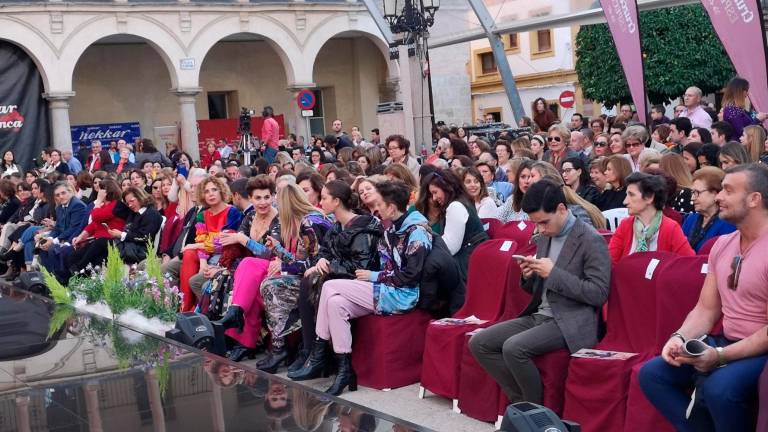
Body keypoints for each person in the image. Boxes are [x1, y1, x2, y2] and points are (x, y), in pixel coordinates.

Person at [639, 163, 768, 432]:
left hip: (760, 351)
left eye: (728, 191)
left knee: (720, 389)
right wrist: (679, 338)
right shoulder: (722, 245)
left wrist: (720, 355)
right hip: (725, 343)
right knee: (652, 375)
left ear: (754, 199)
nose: (719, 196)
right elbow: (705, 310)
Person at [469, 179, 610, 405]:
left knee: (514, 348)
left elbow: (598, 293)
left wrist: (552, 273)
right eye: (537, 224)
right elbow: (539, 288)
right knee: (480, 342)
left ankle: (534, 413)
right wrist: (529, 275)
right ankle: (522, 404)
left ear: (562, 209)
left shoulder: (591, 240)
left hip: (570, 320)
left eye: (544, 222)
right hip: (539, 315)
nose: (541, 229)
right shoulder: (545, 235)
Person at [288, 181, 432, 396]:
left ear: (392, 207)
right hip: (384, 288)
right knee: (336, 304)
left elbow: (411, 277)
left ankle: (318, 353)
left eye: (380, 204)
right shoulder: (391, 227)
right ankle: (345, 370)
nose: (376, 208)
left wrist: (374, 276)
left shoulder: (416, 231)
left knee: (329, 286)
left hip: (401, 295)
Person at [289, 180, 383, 374]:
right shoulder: (336, 227)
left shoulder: (362, 228)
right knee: (312, 281)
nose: (320, 202)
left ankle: (316, 353)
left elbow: (361, 268)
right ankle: (317, 355)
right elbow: (325, 251)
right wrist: (321, 262)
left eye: (324, 198)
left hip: (362, 283)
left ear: (337, 201)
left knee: (315, 283)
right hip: (342, 280)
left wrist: (330, 266)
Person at [256, 183, 332, 373]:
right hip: (309, 277)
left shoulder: (311, 223)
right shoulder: (303, 222)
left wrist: (283, 264)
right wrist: (279, 250)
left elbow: (313, 263)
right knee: (270, 284)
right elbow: (301, 262)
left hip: (321, 279)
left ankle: (283, 348)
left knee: (271, 286)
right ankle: (281, 347)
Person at [215, 175, 281, 361]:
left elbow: (269, 253)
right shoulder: (250, 216)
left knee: (248, 264)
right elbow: (236, 243)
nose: (263, 202)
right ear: (250, 199)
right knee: (249, 285)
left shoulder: (279, 219)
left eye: (267, 197)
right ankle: (246, 344)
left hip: (275, 266)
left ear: (273, 197)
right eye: (258, 198)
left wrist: (243, 239)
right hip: (253, 271)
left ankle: (236, 313)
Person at [178, 177, 243, 311]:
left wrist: (195, 246)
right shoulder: (202, 215)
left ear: (221, 191)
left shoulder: (232, 212)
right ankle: (185, 306)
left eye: (214, 190)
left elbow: (222, 242)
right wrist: (203, 262)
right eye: (206, 191)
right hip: (208, 255)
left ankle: (205, 311)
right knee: (189, 253)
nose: (211, 194)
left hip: (226, 256)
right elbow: (201, 239)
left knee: (191, 251)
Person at [608, 172, 695, 263]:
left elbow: (688, 263)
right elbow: (610, 263)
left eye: (631, 195)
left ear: (649, 197)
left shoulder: (670, 228)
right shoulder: (625, 225)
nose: (625, 201)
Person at [422, 169, 488, 281]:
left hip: (467, 265)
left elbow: (450, 247)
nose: (434, 198)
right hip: (473, 259)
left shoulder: (455, 206)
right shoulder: (463, 201)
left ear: (446, 188)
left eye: (435, 192)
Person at [65, 178, 126, 275]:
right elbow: (93, 224)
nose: (98, 190)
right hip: (98, 242)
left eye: (101, 188)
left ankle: (79, 268)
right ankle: (73, 280)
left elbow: (96, 216)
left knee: (97, 252)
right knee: (74, 255)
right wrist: (81, 237)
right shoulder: (102, 206)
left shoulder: (117, 205)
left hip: (112, 241)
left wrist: (98, 202)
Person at [682, 167, 736, 252]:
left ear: (715, 193)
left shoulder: (728, 223)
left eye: (697, 193)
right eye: (693, 193)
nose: (692, 198)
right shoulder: (690, 219)